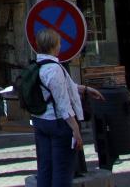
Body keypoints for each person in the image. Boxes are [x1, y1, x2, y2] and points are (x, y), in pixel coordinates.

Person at [29, 28, 105, 187]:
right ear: (54, 45)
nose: (60, 46)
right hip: (58, 123)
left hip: (40, 121)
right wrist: (75, 129)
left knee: (45, 169)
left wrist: (85, 89)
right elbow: (63, 102)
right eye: (59, 43)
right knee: (62, 171)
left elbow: (60, 88)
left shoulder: (37, 66)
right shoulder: (54, 68)